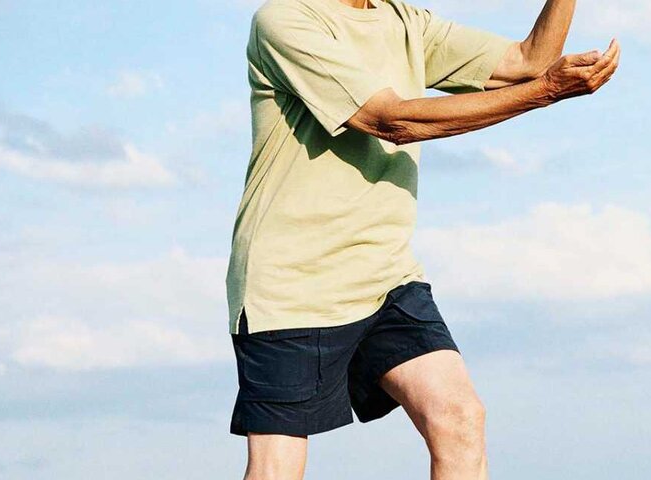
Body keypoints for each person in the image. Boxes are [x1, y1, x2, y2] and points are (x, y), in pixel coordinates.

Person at [225, 0, 619, 478]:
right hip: (293, 283)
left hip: (387, 276)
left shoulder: (406, 22)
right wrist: (544, 93)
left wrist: (544, 73)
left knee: (459, 418)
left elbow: (527, 61)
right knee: (277, 469)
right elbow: (390, 121)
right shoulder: (286, 22)